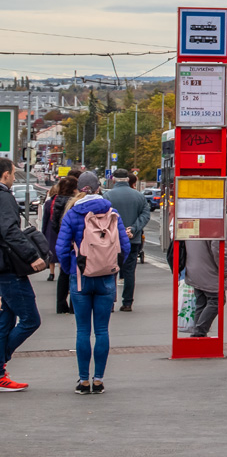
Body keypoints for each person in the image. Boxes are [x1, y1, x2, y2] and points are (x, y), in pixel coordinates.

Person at [56, 171, 130, 395]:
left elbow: (61, 248)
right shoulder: (111, 212)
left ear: (80, 188)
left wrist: (72, 269)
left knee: (82, 331)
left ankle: (83, 381)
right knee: (102, 330)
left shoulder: (72, 213)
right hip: (106, 278)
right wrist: (112, 267)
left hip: (80, 279)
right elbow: (124, 247)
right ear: (98, 188)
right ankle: (98, 380)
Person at [1, 157, 48, 392]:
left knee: (6, 320)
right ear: (6, 175)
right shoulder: (4, 197)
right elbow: (10, 230)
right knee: (30, 319)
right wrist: (32, 256)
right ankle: (0, 365)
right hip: (10, 268)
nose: (12, 177)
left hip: (3, 268)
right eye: (12, 173)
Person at [104, 168, 150, 311]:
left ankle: (110, 302)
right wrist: (133, 229)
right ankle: (127, 302)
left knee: (111, 271)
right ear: (128, 180)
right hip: (133, 239)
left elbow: (103, 218)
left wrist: (119, 231)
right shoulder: (139, 196)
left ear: (113, 179)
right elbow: (145, 215)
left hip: (112, 240)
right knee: (129, 271)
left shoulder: (107, 196)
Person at [184, 239, 227, 338]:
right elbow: (218, 250)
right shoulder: (215, 224)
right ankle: (199, 332)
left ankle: (199, 337)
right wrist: (226, 269)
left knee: (201, 302)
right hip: (209, 270)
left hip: (194, 268)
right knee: (217, 300)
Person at [47, 175, 80, 314]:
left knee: (64, 273)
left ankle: (60, 305)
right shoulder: (75, 202)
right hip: (75, 241)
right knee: (75, 273)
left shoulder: (56, 200)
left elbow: (53, 222)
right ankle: (74, 306)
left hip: (62, 238)